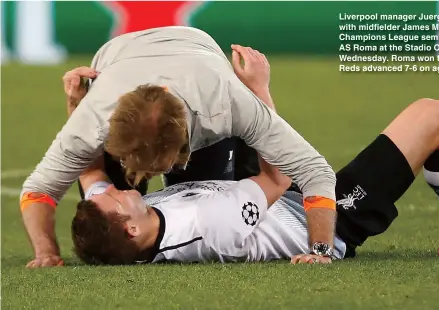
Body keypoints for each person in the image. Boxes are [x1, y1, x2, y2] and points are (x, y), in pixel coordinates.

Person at [71, 94, 439, 265]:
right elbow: (283, 169)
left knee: (173, 105)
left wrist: (78, 103)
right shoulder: (213, 224)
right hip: (312, 215)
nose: (113, 190)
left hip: (250, 191)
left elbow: (90, 173)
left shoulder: (129, 222)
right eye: (114, 199)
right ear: (131, 227)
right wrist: (258, 91)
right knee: (435, 117)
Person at [21, 27, 337, 268]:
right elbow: (38, 190)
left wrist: (321, 250)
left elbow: (315, 171)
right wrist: (46, 253)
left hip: (200, 63)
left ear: (183, 147)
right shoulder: (96, 117)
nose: (140, 176)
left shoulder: (226, 103)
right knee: (106, 220)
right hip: (118, 59)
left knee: (211, 187)